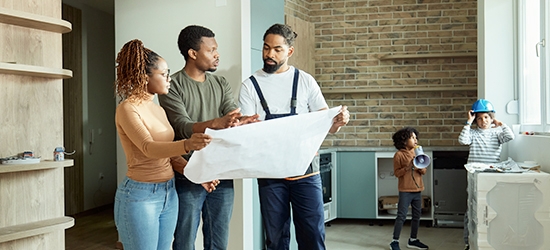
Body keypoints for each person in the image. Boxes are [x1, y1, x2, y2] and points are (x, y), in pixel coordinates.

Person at [239, 23, 350, 250]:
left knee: (312, 235)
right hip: (270, 172)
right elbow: (246, 132)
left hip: (306, 170)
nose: (269, 54)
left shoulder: (305, 81)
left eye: (277, 49)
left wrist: (337, 123)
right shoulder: (250, 86)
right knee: (276, 238)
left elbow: (326, 125)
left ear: (289, 51)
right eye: (266, 48)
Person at [158, 25, 258, 250]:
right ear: (193, 53)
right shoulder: (172, 86)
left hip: (221, 170)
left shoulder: (220, 83)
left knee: (218, 242)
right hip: (188, 172)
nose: (217, 54)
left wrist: (242, 122)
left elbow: (231, 117)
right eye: (211, 50)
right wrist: (215, 123)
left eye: (217, 49)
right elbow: (182, 127)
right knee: (184, 242)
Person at [113, 39, 217, 250]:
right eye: (164, 74)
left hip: (169, 193)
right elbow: (148, 148)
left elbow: (169, 155)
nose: (169, 79)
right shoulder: (127, 108)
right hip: (140, 196)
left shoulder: (158, 109)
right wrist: (187, 144)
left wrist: (197, 176)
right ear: (145, 78)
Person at [458, 99, 515, 250]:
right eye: (479, 118)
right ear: (475, 119)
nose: (483, 121)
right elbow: (463, 140)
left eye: (486, 117)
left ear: (491, 118)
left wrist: (501, 124)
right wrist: (468, 122)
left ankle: (490, 240)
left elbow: (510, 137)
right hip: (475, 174)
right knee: (472, 207)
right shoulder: (473, 133)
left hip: (491, 174)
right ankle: (468, 242)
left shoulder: (497, 133)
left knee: (490, 206)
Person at [389, 127, 429, 250]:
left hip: (417, 190)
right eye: (412, 138)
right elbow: (397, 173)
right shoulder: (399, 155)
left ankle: (413, 239)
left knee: (417, 215)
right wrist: (409, 166)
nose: (416, 140)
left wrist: (420, 165)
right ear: (404, 141)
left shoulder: (416, 153)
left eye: (416, 137)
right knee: (401, 216)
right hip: (405, 190)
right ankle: (394, 241)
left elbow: (423, 171)